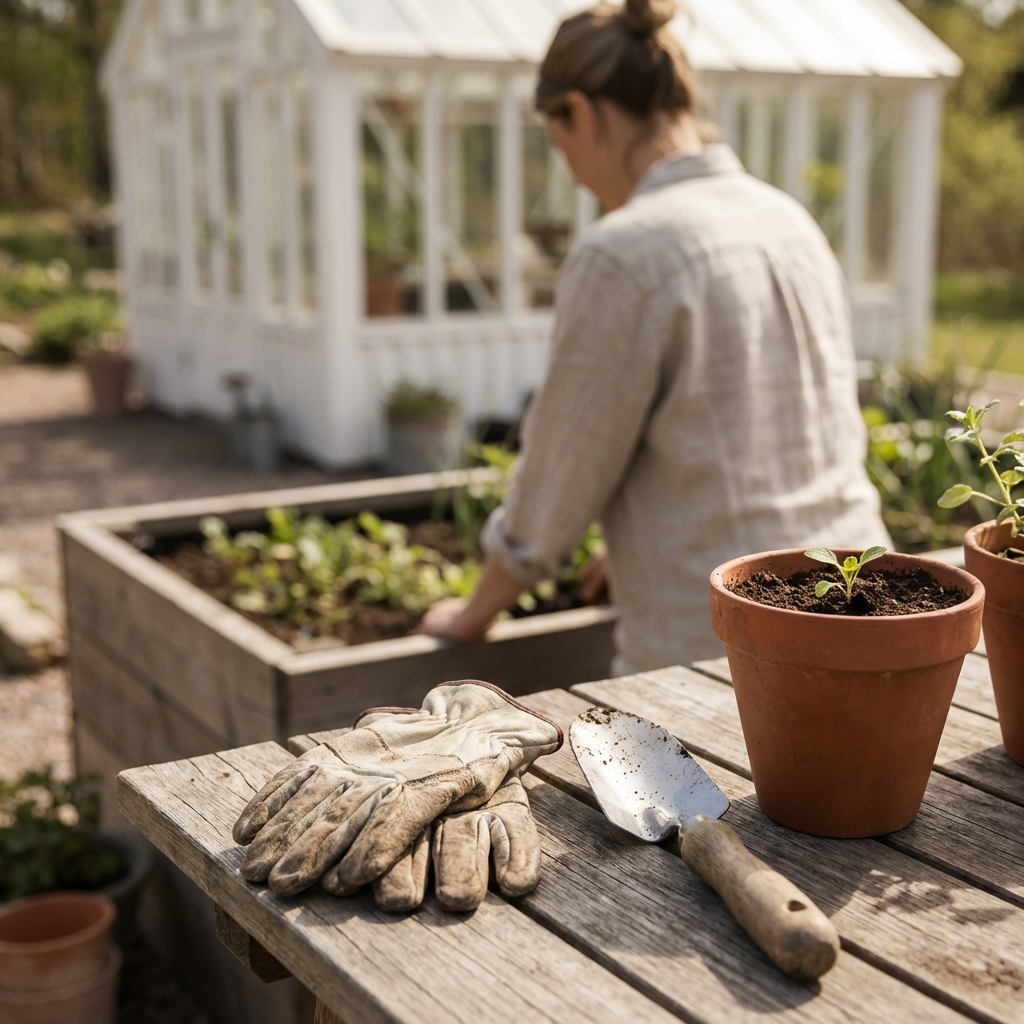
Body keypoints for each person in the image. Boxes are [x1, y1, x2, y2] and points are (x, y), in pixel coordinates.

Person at [419, 0, 890, 672]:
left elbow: (557, 484)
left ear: (582, 114)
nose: (576, 178)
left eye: (562, 147)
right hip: (866, 620)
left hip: (720, 662)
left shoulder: (623, 252)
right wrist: (642, 536)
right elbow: (773, 434)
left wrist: (472, 615)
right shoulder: (787, 220)